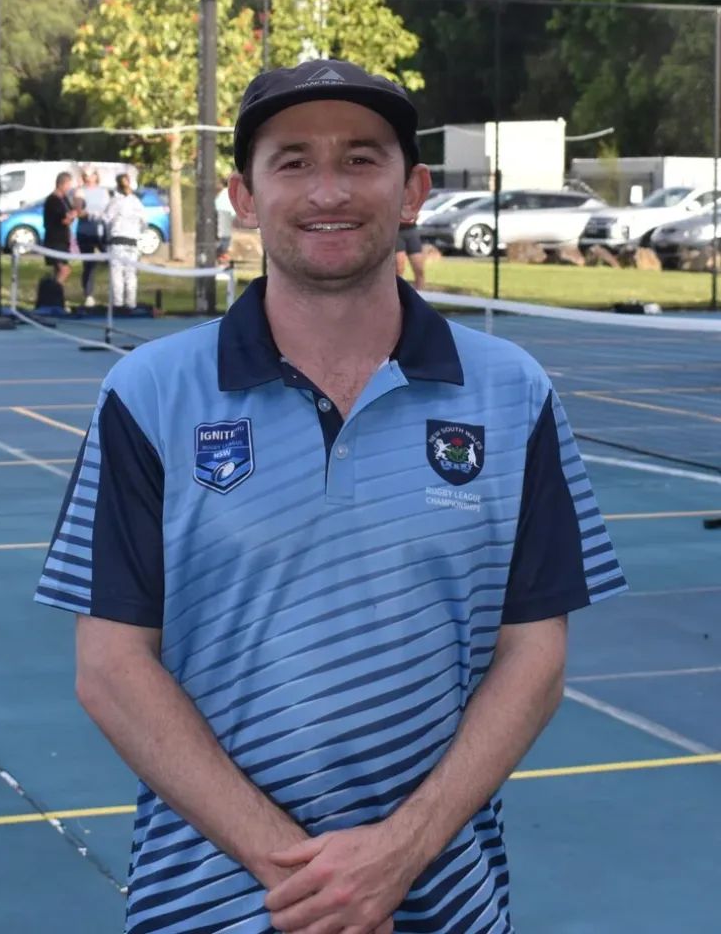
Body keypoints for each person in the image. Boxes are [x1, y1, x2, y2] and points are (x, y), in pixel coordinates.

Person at [34, 59, 628, 934]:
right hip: (211, 908)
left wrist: (399, 853)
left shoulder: (513, 391)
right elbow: (112, 669)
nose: (328, 191)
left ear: (413, 187)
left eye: (360, 159)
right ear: (243, 195)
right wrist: (310, 882)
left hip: (441, 905)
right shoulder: (149, 393)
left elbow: (534, 660)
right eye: (292, 161)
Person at [102, 173, 148, 310]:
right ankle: (131, 303)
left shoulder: (115, 201)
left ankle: (118, 303)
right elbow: (145, 223)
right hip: (132, 241)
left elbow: (106, 220)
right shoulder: (137, 202)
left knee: (117, 273)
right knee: (130, 274)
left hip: (117, 241)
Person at [71, 166, 111, 306]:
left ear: (96, 176)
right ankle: (88, 295)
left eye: (91, 175)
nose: (89, 178)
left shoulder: (104, 191)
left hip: (102, 228)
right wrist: (86, 211)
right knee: (88, 263)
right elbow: (78, 211)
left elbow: (109, 209)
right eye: (85, 175)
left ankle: (116, 294)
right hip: (86, 229)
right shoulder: (80, 191)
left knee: (111, 259)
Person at [42, 171, 75, 287]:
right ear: (61, 184)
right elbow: (62, 219)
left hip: (63, 239)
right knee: (64, 269)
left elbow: (71, 214)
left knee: (58, 270)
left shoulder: (64, 198)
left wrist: (72, 216)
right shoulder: (52, 200)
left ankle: (56, 295)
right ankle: (55, 290)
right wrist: (70, 217)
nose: (69, 187)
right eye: (68, 184)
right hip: (54, 240)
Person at [396, 197, 427, 288]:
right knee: (399, 269)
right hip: (397, 233)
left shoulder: (411, 194)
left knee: (419, 269)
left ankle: (421, 296)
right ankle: (397, 298)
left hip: (411, 231)